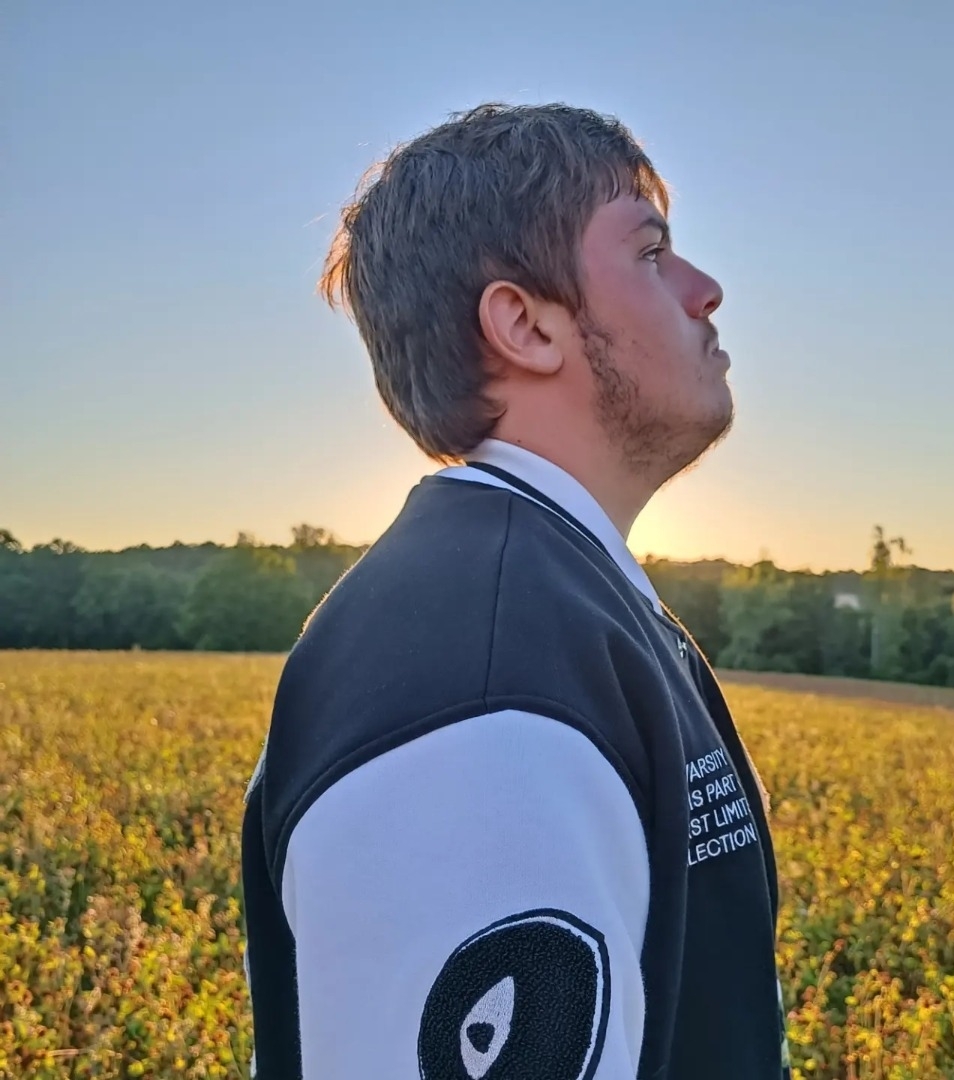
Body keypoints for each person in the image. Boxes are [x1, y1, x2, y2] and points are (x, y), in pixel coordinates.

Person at [240, 102, 791, 1080]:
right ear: (527, 325)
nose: (706, 291)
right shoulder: (486, 685)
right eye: (651, 254)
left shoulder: (554, 606)